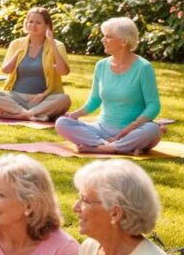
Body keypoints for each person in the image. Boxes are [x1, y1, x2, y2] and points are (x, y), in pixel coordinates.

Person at [55, 17, 163, 154]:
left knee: (152, 130)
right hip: (102, 130)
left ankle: (104, 147)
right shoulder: (101, 66)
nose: (103, 40)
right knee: (62, 123)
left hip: (134, 130)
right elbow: (95, 100)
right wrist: (75, 114)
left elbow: (154, 105)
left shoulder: (144, 67)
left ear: (124, 41)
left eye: (108, 37)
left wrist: (131, 127)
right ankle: (112, 146)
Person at [0, 7, 72, 121]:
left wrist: (52, 44)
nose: (33, 25)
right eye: (30, 22)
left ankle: (19, 114)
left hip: (43, 98)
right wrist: (18, 53)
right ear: (26, 24)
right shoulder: (16, 44)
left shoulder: (57, 45)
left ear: (47, 26)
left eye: (38, 23)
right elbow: (6, 70)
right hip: (16, 97)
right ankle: (30, 114)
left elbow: (64, 72)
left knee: (64, 100)